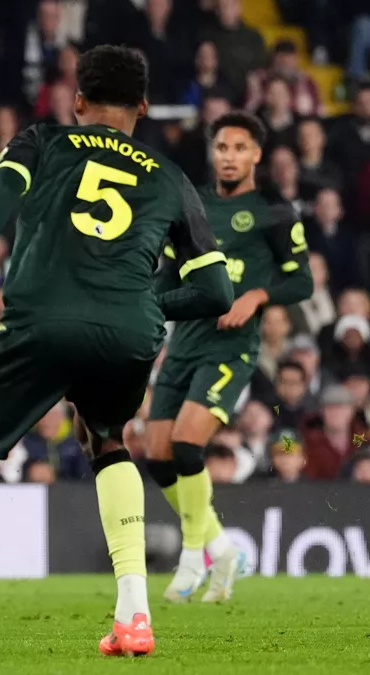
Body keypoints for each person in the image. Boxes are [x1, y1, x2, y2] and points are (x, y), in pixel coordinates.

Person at [0, 46, 233, 662]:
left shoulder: (44, 142)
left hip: (41, 321)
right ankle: (135, 615)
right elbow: (216, 290)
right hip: (129, 334)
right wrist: (144, 305)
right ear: (144, 107)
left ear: (78, 102)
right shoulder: (169, 176)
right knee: (107, 440)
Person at [145, 111, 312, 604]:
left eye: (240, 148)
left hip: (231, 349)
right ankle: (224, 548)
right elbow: (173, 270)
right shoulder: (190, 202)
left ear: (257, 155)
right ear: (212, 152)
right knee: (158, 458)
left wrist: (256, 296)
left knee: (187, 448)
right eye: (222, 147)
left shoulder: (275, 212)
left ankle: (193, 558)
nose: (230, 156)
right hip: (184, 344)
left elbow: (301, 280)